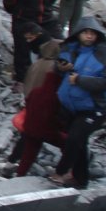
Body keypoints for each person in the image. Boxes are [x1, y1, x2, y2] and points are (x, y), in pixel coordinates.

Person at [51, 18, 106, 190]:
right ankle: (80, 179)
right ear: (78, 34)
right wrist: (61, 68)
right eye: (85, 32)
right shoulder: (70, 49)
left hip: (94, 107)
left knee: (75, 139)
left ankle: (61, 172)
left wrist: (81, 80)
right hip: (72, 105)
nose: (89, 36)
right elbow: (57, 68)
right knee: (80, 142)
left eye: (93, 33)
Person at [14, 39, 69, 178]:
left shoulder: (37, 63)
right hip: (43, 117)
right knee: (67, 144)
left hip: (31, 104)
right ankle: (66, 171)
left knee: (28, 143)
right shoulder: (53, 69)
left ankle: (16, 166)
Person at [3, 0, 59, 83]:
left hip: (46, 20)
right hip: (23, 21)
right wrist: (19, 14)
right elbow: (8, 2)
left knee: (55, 43)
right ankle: (22, 78)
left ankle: (48, 72)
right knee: (22, 50)